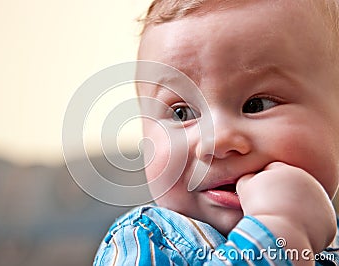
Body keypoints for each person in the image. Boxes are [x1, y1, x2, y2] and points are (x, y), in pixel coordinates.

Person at [94, 0, 339, 265]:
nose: (217, 141)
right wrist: (277, 237)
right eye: (182, 113)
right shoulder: (143, 242)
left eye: (256, 105)